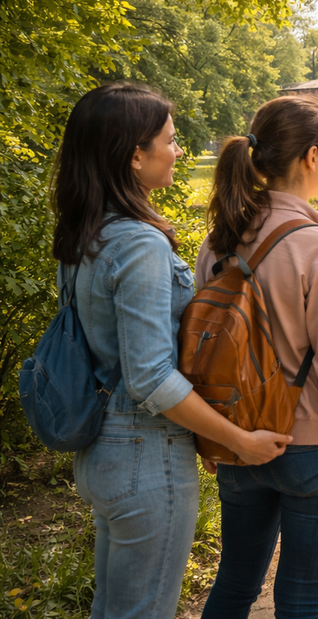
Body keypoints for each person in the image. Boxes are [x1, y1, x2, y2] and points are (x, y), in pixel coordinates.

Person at [51, 82, 288, 619]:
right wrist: (240, 441)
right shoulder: (137, 243)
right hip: (145, 454)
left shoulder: (88, 230)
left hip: (102, 451)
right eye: (171, 140)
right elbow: (152, 378)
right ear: (136, 154)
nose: (179, 151)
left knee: (114, 610)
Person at [197, 95, 318, 618]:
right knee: (303, 598)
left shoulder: (219, 242)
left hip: (240, 438)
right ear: (310, 156)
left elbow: (201, 348)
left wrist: (215, 432)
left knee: (234, 585)